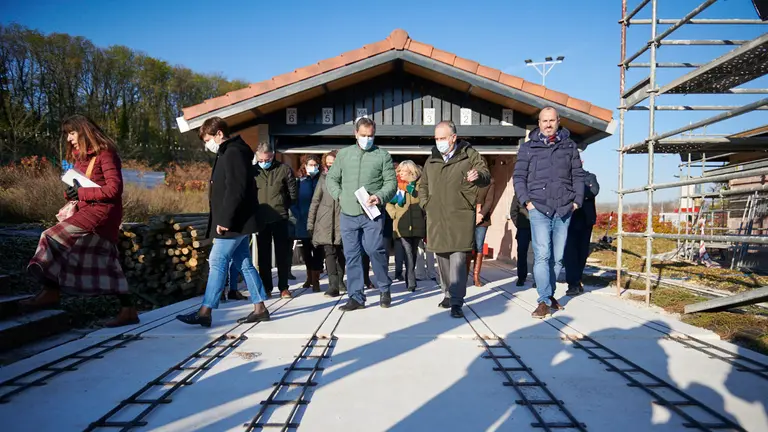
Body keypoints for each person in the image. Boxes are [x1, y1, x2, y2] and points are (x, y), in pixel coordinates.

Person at [22, 115, 138, 328]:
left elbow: (114, 189)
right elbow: (82, 189)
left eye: (72, 133)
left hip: (102, 213)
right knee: (107, 259)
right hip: (88, 209)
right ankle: (128, 309)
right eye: (67, 134)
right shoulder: (81, 158)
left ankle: (51, 290)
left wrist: (81, 192)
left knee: (50, 236)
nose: (69, 138)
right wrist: (71, 193)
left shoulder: (106, 154)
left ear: (84, 131)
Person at [175, 117, 269, 327]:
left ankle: (205, 310)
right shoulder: (230, 151)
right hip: (239, 220)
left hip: (233, 221)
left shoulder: (232, 152)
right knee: (244, 263)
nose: (207, 144)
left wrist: (225, 219)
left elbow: (236, 189)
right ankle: (260, 308)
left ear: (219, 133)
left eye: (208, 139)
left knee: (217, 261)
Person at [513, 106, 585, 319]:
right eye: (544, 121)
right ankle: (543, 300)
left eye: (551, 120)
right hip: (539, 208)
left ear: (558, 121)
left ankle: (549, 294)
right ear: (539, 123)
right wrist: (527, 201)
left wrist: (576, 202)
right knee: (543, 254)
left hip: (564, 208)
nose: (548, 124)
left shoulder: (569, 147)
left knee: (558, 257)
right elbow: (518, 177)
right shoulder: (528, 148)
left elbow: (578, 176)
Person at [326, 117, 397, 311]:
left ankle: (384, 287)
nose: (367, 139)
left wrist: (379, 196)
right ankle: (356, 297)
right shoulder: (343, 155)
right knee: (352, 255)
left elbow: (391, 183)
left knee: (375, 249)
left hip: (372, 213)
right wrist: (340, 196)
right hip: (348, 213)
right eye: (364, 135)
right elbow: (332, 179)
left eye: (371, 135)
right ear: (356, 134)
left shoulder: (382, 155)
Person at [421, 121, 490, 318]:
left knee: (459, 260)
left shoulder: (469, 154)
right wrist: (427, 203)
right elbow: (423, 184)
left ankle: (457, 301)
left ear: (453, 138)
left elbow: (485, 175)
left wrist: (477, 176)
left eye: (442, 138)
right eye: (436, 138)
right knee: (442, 259)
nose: (439, 142)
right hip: (437, 217)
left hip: (460, 215)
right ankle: (447, 294)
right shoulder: (432, 159)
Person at [253, 142, 297, 298]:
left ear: (273, 155)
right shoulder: (253, 172)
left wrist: (284, 206)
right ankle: (266, 287)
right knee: (263, 256)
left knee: (282, 254)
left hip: (280, 218)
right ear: (257, 157)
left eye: (267, 159)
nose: (264, 162)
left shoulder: (284, 170)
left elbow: (293, 194)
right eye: (261, 160)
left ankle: (283, 287)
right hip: (261, 220)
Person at [308, 150, 347, 297]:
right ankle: (333, 284)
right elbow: (315, 201)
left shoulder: (347, 178)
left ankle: (340, 280)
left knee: (341, 253)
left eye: (333, 163)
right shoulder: (323, 179)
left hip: (342, 219)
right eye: (328, 163)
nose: (330, 166)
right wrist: (310, 223)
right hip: (324, 221)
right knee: (329, 253)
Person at [386, 160, 426, 293]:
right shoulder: (395, 185)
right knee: (408, 253)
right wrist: (394, 213)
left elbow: (422, 200)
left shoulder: (419, 184)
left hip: (417, 224)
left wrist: (412, 188)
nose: (400, 174)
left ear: (411, 172)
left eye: (403, 171)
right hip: (401, 224)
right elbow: (388, 202)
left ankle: (409, 276)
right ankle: (411, 280)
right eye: (399, 171)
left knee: (413, 253)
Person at [564, 159, 600, 296]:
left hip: (586, 219)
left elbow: (593, 191)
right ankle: (572, 283)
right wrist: (583, 190)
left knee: (582, 252)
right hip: (570, 220)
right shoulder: (565, 177)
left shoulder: (590, 176)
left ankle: (577, 279)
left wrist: (577, 191)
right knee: (569, 252)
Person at [292, 154, 324, 292]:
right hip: (303, 222)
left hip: (320, 222)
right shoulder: (299, 182)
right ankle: (308, 277)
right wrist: (298, 215)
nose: (313, 167)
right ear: (305, 166)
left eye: (315, 165)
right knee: (306, 251)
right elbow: (293, 201)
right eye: (310, 164)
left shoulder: (322, 181)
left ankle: (316, 279)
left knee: (318, 250)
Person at [471, 172, 496, 287]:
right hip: (466, 217)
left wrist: (481, 214)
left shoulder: (490, 181)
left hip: (482, 219)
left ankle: (476, 276)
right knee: (466, 246)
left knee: (479, 246)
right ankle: (464, 273)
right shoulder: (468, 179)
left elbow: (489, 201)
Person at [510, 193, 532, 287]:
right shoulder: (518, 194)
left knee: (537, 254)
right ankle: (521, 277)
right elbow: (513, 212)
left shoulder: (538, 191)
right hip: (523, 229)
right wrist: (519, 225)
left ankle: (537, 278)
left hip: (537, 228)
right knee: (522, 252)